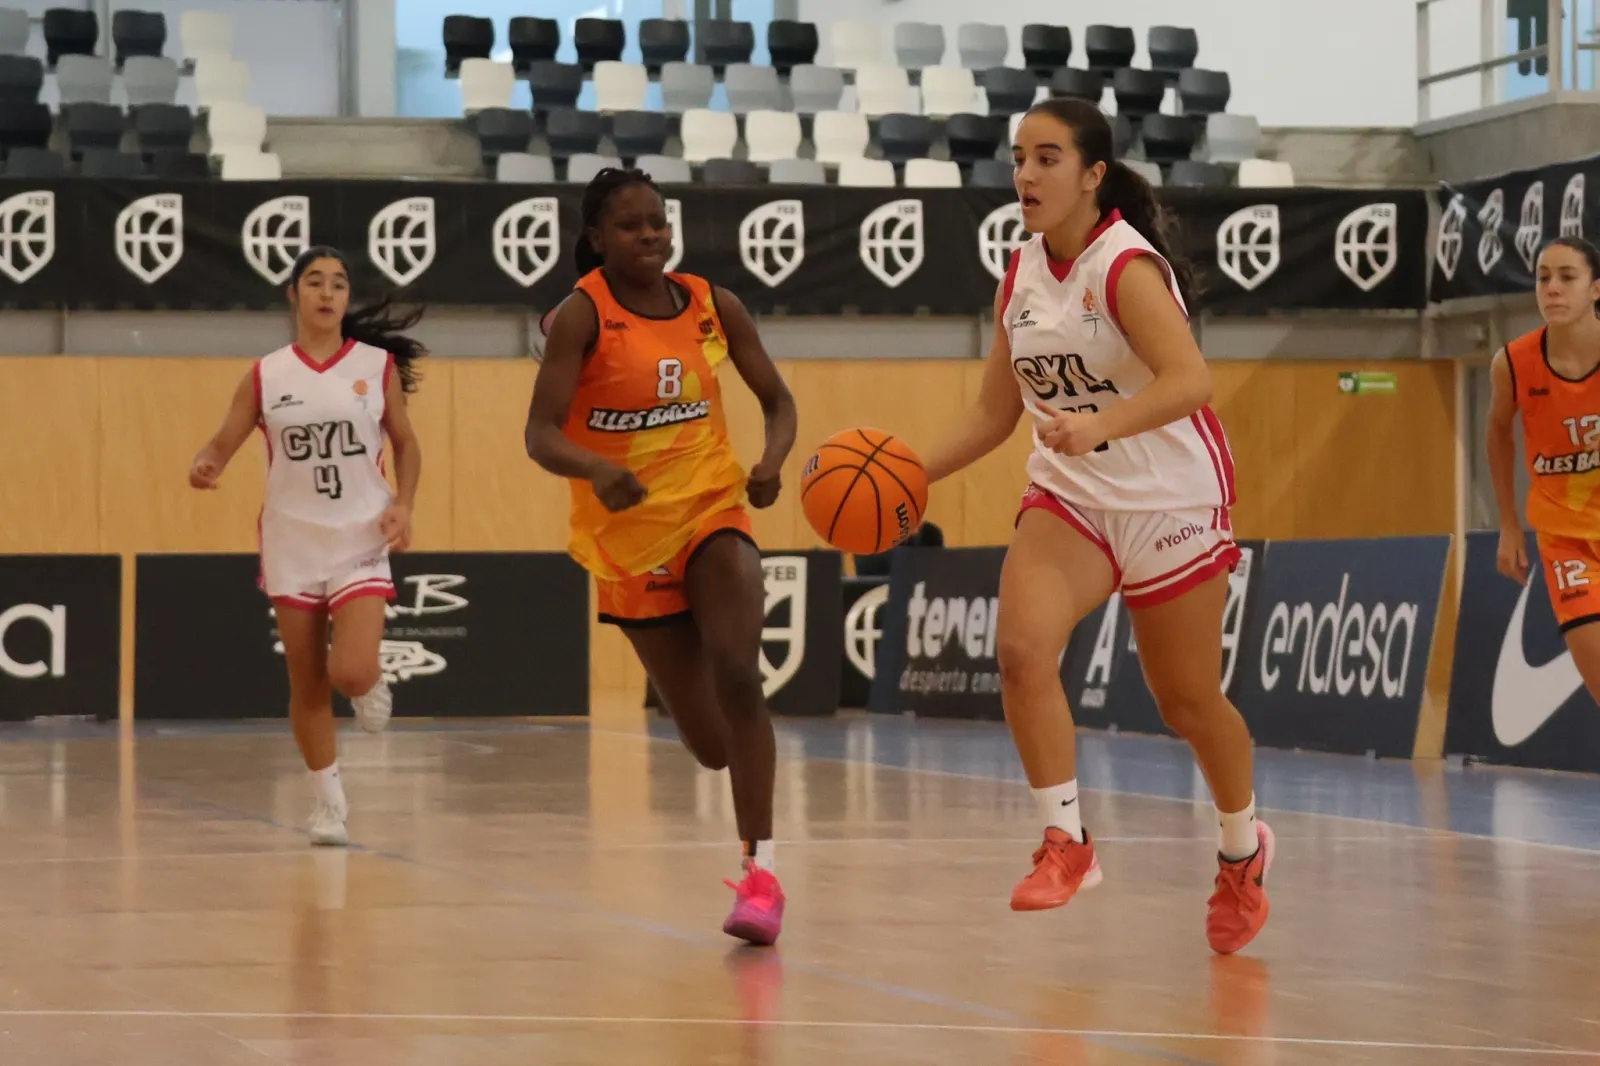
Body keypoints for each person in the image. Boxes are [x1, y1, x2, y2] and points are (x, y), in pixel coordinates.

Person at [910, 98, 1271, 954]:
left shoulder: (1124, 266)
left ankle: (1242, 849)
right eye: (1018, 158)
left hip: (1170, 499)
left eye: (1047, 159)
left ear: (1091, 175)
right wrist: (909, 472)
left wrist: (1101, 425)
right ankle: (1066, 840)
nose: (1026, 175)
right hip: (1072, 495)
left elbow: (1191, 381)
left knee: (1187, 702)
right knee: (1020, 650)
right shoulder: (1020, 274)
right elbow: (994, 414)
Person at [524, 167, 798, 946]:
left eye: (658, 221)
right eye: (631, 225)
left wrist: (772, 461)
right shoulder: (582, 316)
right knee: (710, 746)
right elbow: (539, 435)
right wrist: (597, 468)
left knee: (740, 674)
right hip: (629, 541)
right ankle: (737, 796)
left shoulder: (714, 303)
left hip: (713, 508)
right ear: (598, 238)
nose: (649, 234)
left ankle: (762, 878)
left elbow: (778, 400)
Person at [188, 246, 425, 847]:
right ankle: (329, 803)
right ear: (294, 294)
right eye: (315, 282)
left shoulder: (375, 366)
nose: (327, 292)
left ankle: (369, 684)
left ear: (347, 299)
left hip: (360, 534)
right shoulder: (266, 375)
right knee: (308, 681)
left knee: (349, 670)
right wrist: (206, 464)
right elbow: (222, 443)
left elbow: (405, 443)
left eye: (338, 284)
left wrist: (403, 504)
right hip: (292, 539)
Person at [1488, 236, 1600, 699]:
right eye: (1543, 277)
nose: (1552, 287)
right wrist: (1509, 524)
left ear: (1596, 288)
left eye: (1567, 277)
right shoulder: (1513, 363)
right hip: (1566, 541)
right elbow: (1499, 433)